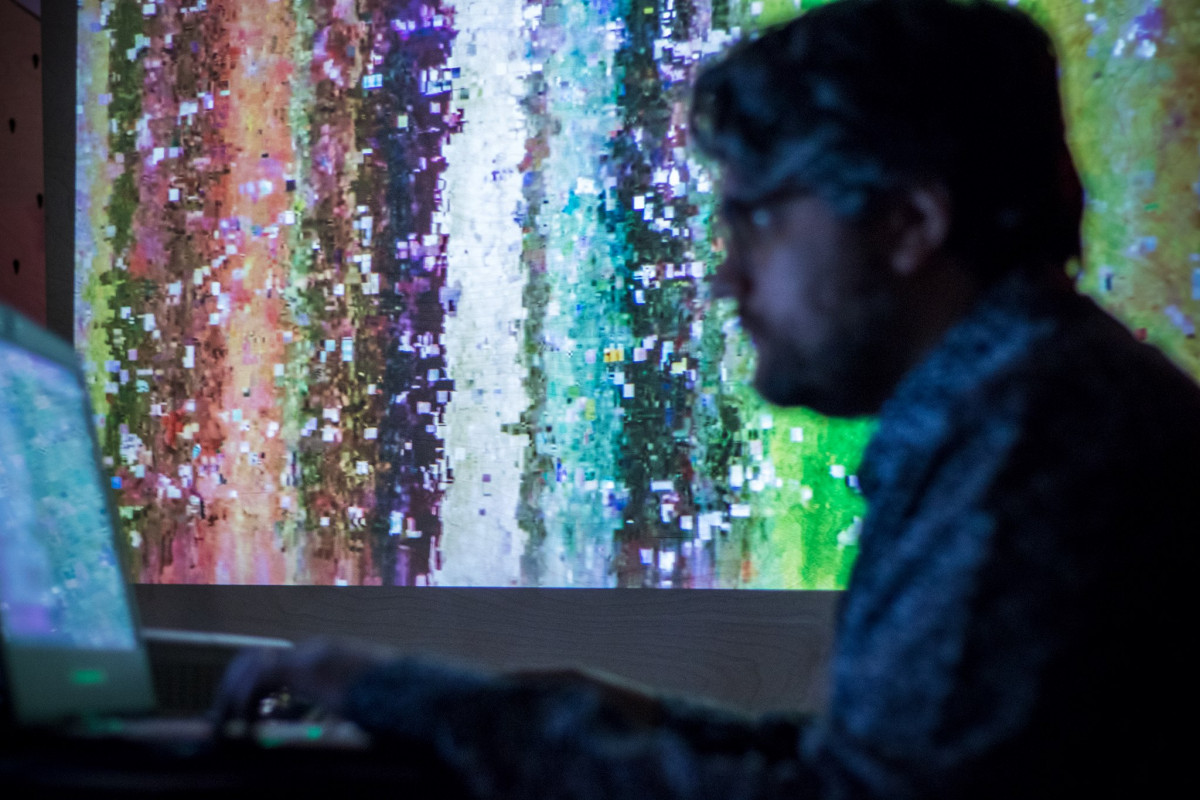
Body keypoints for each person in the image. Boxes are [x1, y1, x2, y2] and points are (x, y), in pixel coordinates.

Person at [215, 0, 1199, 796]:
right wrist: (626, 714)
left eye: (757, 220)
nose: (727, 279)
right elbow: (881, 762)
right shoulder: (1036, 400)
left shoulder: (1035, 441)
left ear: (908, 223)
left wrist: (410, 698)